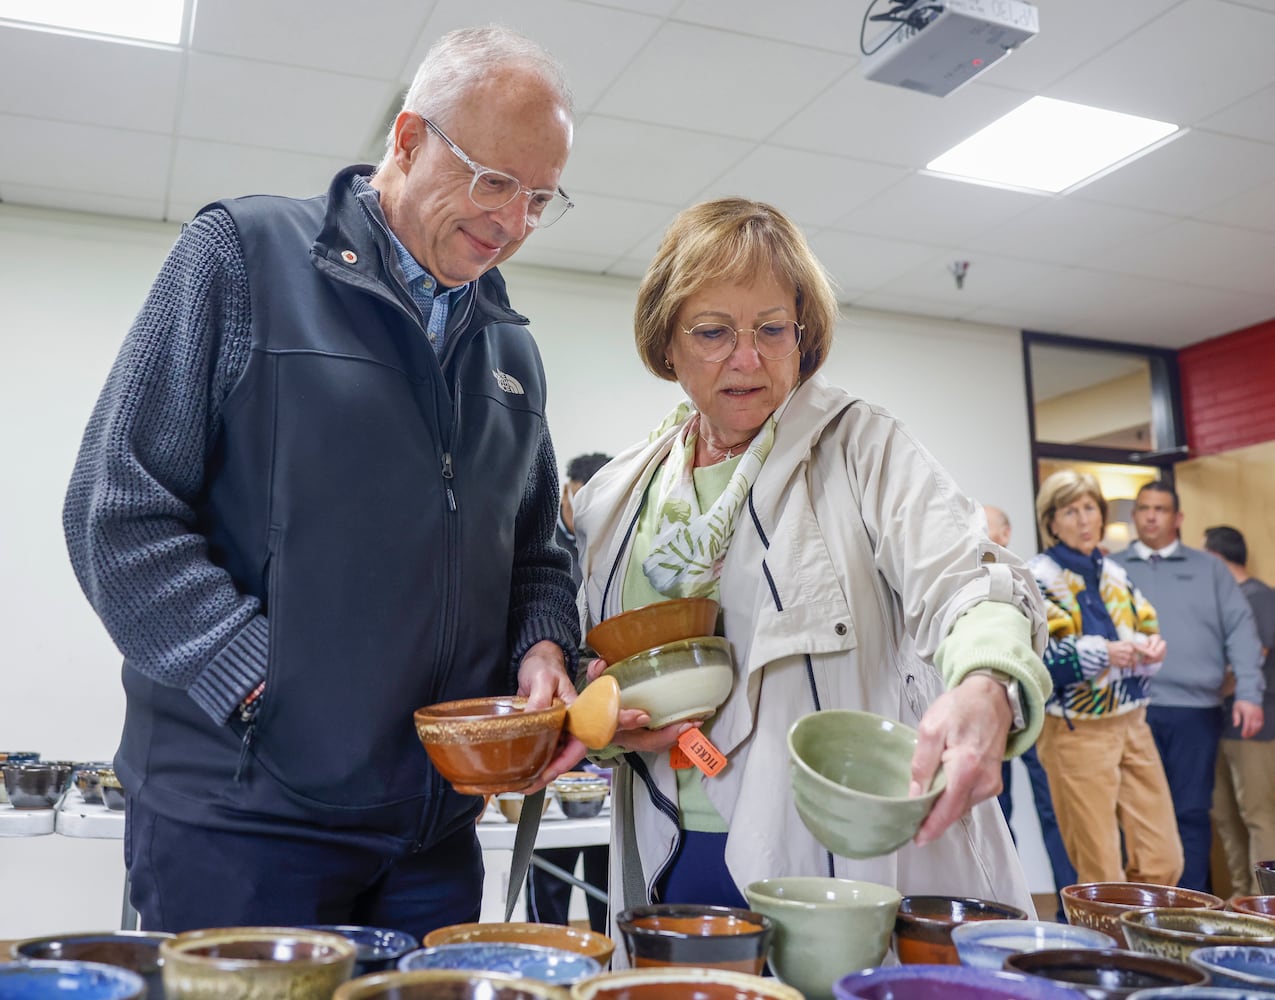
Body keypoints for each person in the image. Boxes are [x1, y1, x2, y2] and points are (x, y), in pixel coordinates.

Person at [61, 26, 585, 936]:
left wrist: (543, 645)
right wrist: (269, 684)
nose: (515, 222)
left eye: (541, 197)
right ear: (410, 139)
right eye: (495, 180)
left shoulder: (510, 348)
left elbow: (537, 549)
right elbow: (118, 514)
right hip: (243, 819)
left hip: (431, 830)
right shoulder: (242, 258)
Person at [571, 197, 1052, 928]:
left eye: (771, 329)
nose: (747, 357)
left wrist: (987, 683)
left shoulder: (861, 448)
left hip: (835, 854)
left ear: (803, 338)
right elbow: (587, 656)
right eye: (712, 331)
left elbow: (968, 579)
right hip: (670, 843)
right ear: (666, 343)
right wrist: (600, 713)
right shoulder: (619, 494)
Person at [1028, 470, 1182, 887]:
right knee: (1099, 871)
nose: (1083, 520)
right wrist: (1103, 653)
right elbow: (1039, 657)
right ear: (1051, 522)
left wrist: (1151, 650)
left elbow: (1147, 628)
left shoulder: (1116, 573)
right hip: (1076, 730)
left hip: (1133, 722)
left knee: (1163, 858)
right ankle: (1110, 951)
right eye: (1070, 511)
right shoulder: (1036, 577)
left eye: (1090, 508)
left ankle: (1136, 941)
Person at [1113, 482, 1265, 892]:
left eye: (1160, 509)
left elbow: (1242, 631)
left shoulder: (1209, 568)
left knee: (1191, 813)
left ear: (1177, 518)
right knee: (1133, 814)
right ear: (1135, 516)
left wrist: (1249, 693)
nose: (1151, 516)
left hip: (1194, 712)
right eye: (1144, 508)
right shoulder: (1111, 567)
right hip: (1128, 709)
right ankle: (1141, 908)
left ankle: (1190, 907)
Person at [527, 451, 613, 933]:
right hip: (556, 721)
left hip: (605, 725)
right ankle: (545, 956)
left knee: (604, 860)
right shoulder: (545, 553)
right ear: (566, 492)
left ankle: (600, 957)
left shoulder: (614, 545)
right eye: (583, 497)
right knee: (551, 861)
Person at [985, 503, 1078, 918]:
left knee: (1056, 811)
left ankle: (1068, 908)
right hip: (988, 715)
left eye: (986, 526)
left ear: (1006, 533)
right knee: (996, 815)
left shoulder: (1032, 580)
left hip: (1037, 712)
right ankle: (1007, 908)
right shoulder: (957, 582)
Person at [1203, 525, 1275, 897]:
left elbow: (1254, 657)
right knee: (1226, 819)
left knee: (1258, 817)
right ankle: (1240, 900)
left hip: (1257, 731)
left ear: (1216, 558)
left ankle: (1265, 903)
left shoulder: (1260, 598)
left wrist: (1199, 686)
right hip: (1221, 726)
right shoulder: (1225, 600)